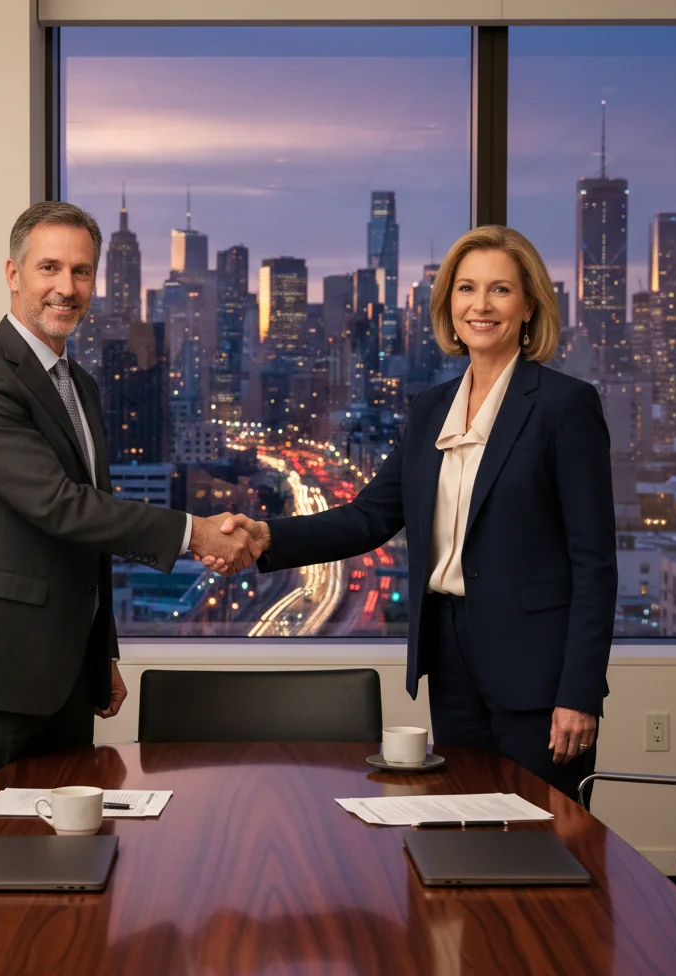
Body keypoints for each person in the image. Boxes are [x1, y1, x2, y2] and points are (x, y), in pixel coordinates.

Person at [208, 225, 617, 800]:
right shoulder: (431, 409)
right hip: (449, 657)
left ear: (528, 306)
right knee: (462, 822)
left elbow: (594, 563)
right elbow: (370, 517)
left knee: (542, 834)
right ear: (448, 304)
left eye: (500, 290)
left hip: (538, 669)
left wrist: (579, 692)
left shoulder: (565, 405)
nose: (480, 305)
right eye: (466, 289)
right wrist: (265, 536)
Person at [0, 201, 258, 804]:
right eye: (49, 267)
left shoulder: (79, 384)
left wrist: (100, 652)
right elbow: (62, 506)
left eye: (81, 272)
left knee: (67, 847)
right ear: (13, 274)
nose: (67, 287)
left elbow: (88, 532)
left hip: (66, 674)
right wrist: (196, 534)